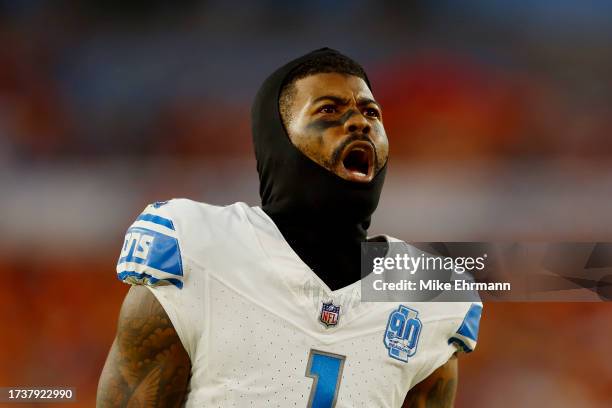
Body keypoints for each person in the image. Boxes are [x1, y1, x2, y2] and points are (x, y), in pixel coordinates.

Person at [97, 48, 482, 407]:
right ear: (277, 141)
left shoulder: (429, 292)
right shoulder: (199, 249)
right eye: (329, 110)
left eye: (371, 113)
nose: (359, 123)